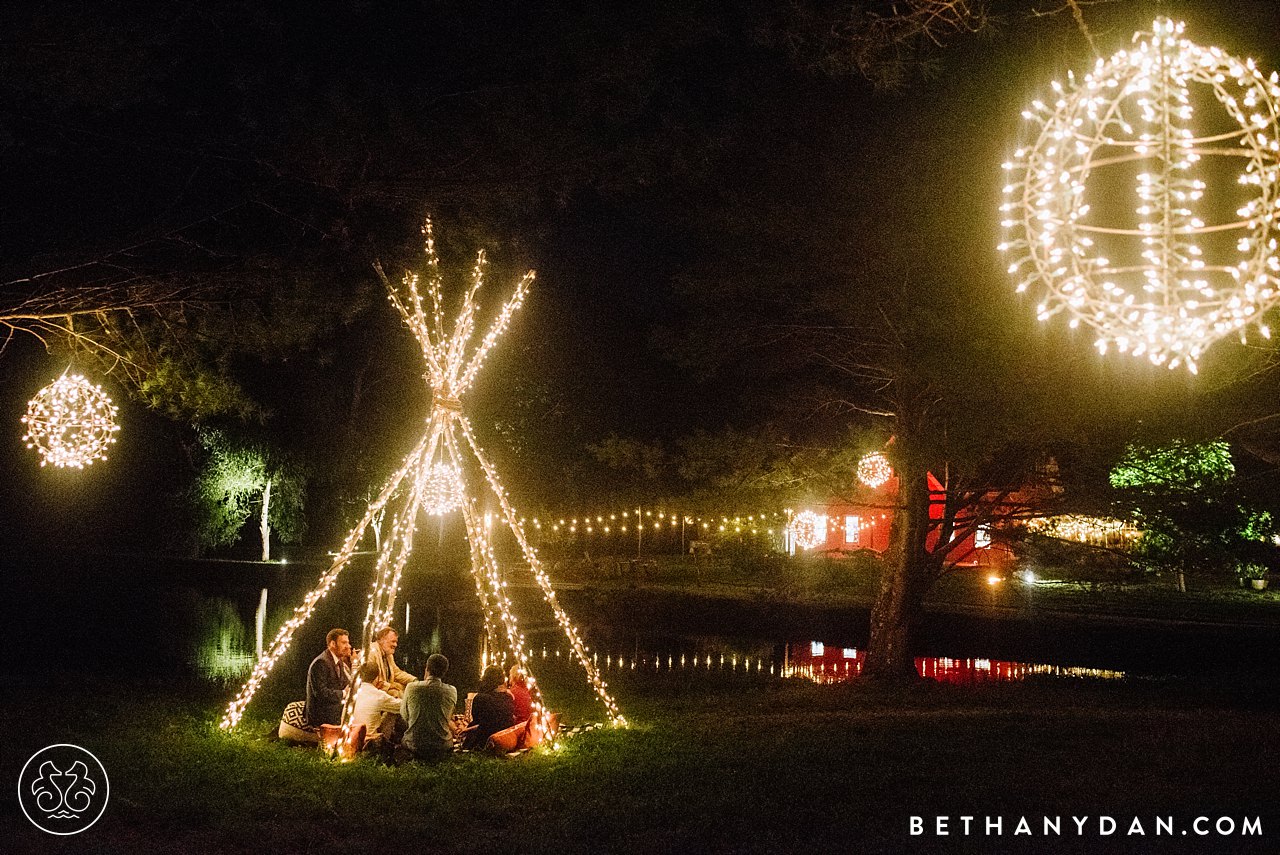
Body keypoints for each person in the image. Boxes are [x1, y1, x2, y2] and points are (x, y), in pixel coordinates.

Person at [401, 654, 459, 762]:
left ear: (427, 668)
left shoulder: (411, 687)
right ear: (444, 671)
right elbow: (447, 718)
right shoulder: (452, 691)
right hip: (442, 746)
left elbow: (404, 715)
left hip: (414, 745)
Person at [305, 628, 352, 727]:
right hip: (322, 715)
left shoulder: (338, 662)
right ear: (333, 644)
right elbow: (321, 693)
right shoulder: (321, 662)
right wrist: (344, 693)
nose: (348, 646)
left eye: (348, 643)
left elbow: (347, 684)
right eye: (344, 643)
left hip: (334, 710)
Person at [464, 664, 515, 750]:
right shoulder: (508, 697)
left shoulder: (481, 698)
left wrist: (467, 729)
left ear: (485, 678)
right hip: (504, 739)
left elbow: (478, 722)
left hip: (485, 740)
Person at [351, 662, 404, 745]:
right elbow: (402, 706)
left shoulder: (352, 693)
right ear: (377, 678)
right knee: (392, 713)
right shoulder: (379, 695)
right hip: (370, 740)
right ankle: (389, 742)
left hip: (350, 737)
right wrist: (399, 693)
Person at [365, 626, 415, 697]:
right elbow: (372, 681)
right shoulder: (371, 653)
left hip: (385, 691)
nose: (395, 645)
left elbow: (397, 673)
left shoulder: (388, 654)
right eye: (393, 641)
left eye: (396, 642)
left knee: (408, 689)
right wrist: (390, 686)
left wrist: (414, 680)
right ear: (382, 640)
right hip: (374, 694)